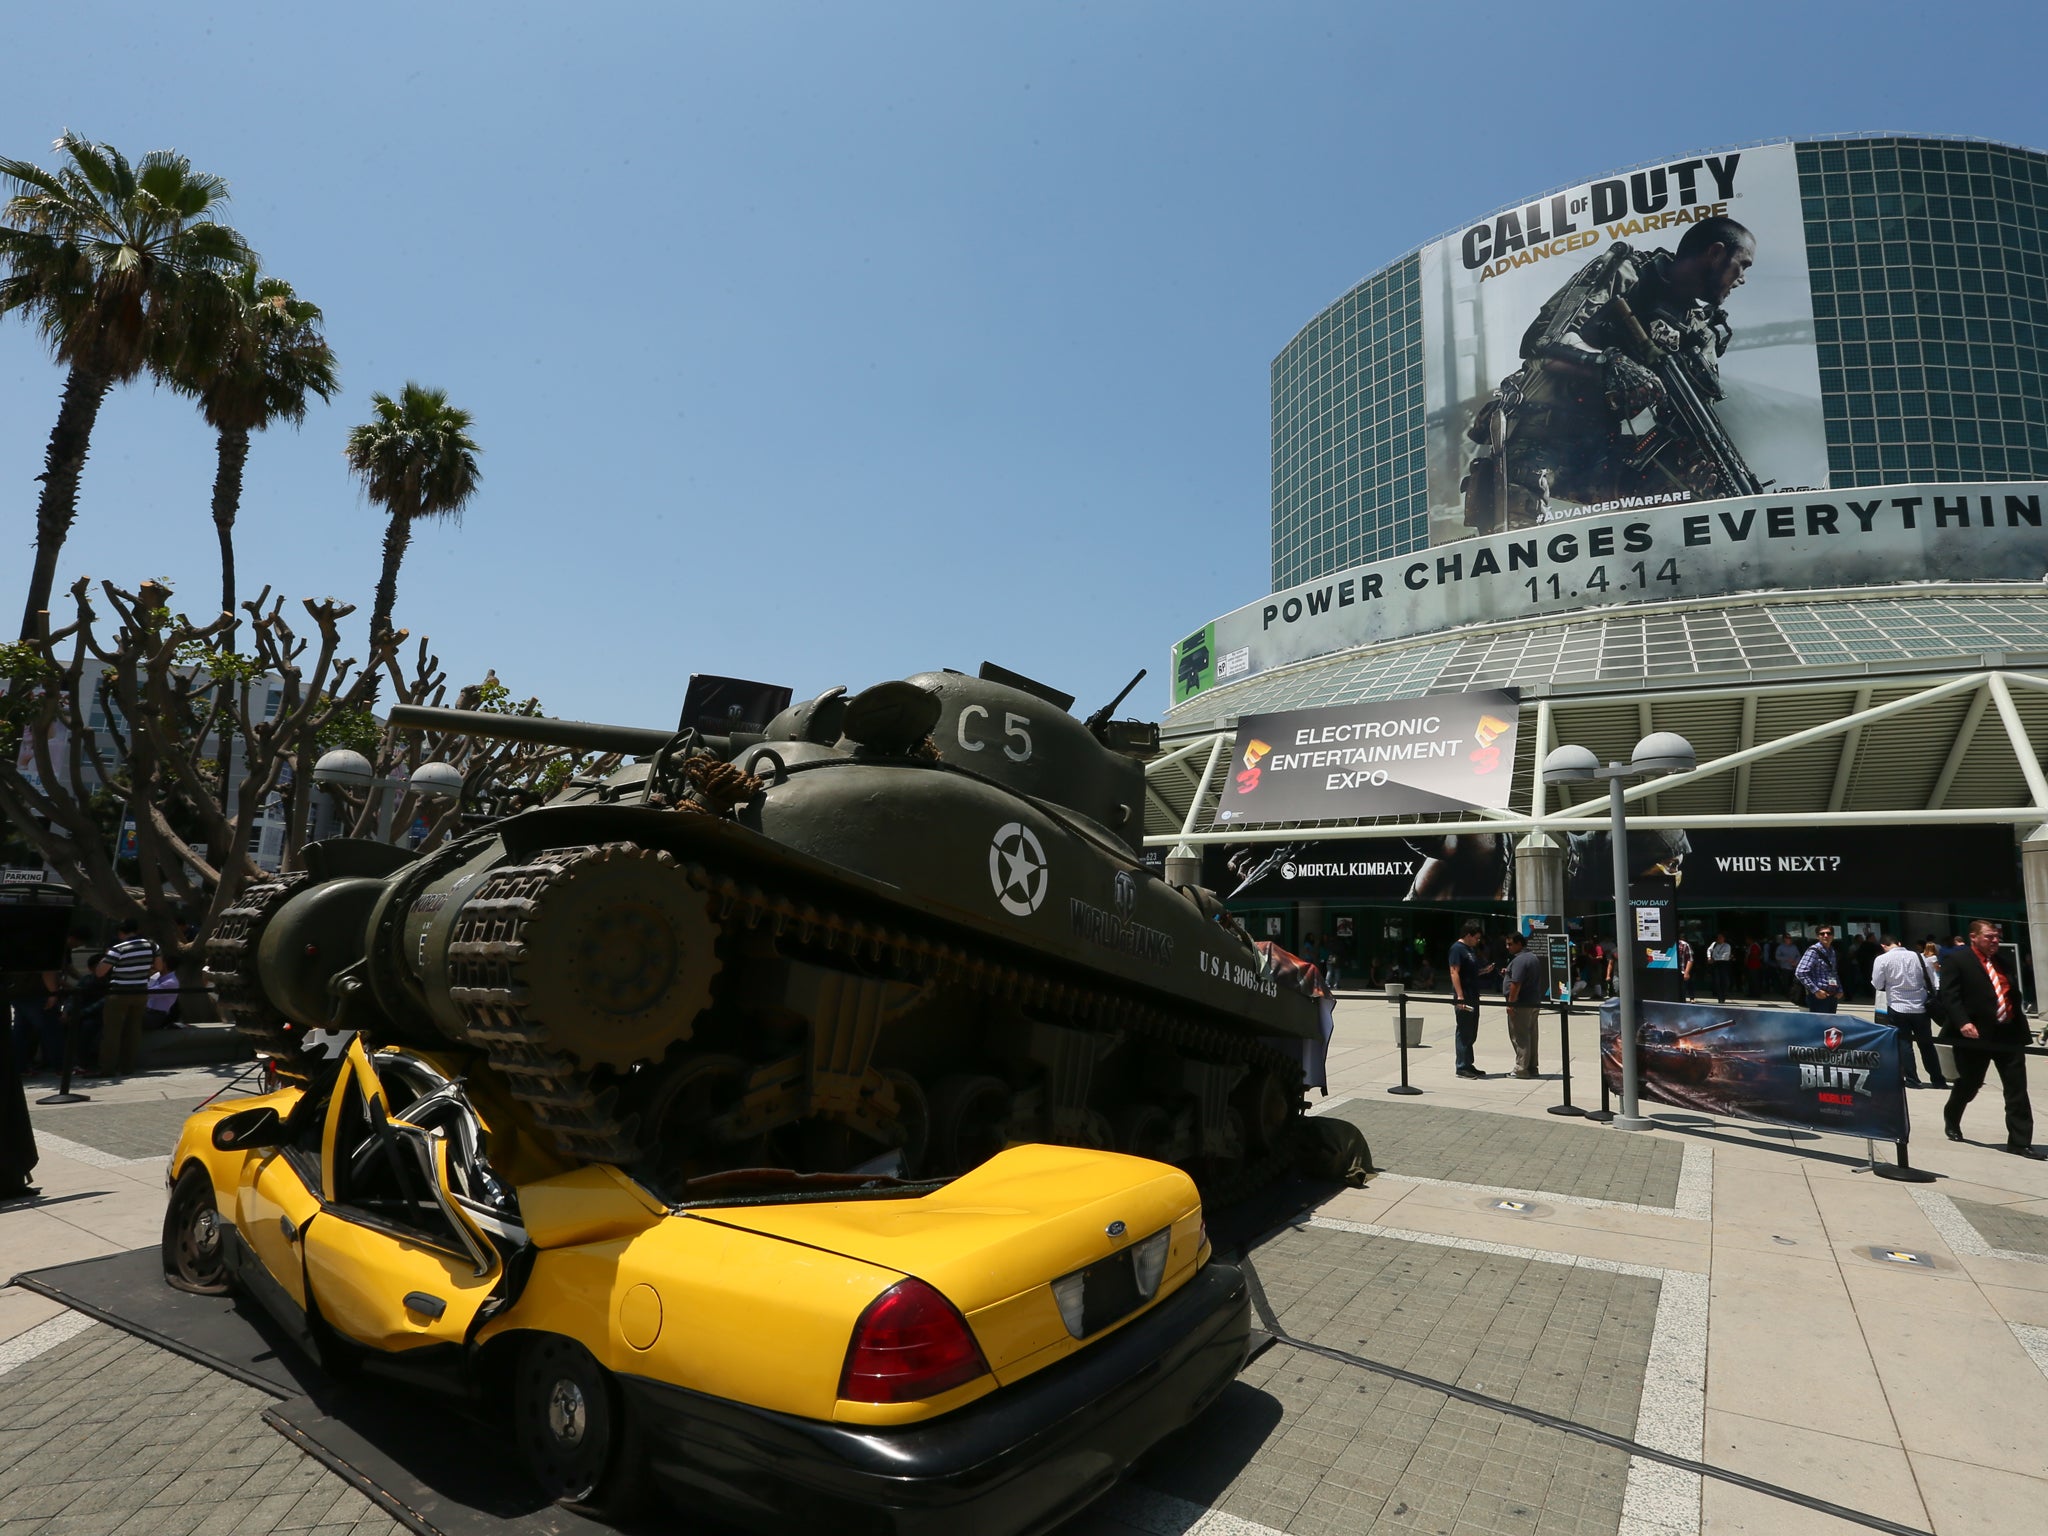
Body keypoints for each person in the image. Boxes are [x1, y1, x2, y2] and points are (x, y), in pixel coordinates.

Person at [1461, 216, 1759, 534]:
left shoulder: (1700, 334)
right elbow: (1542, 340)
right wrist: (1609, 362)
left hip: (1599, 452)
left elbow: (1689, 422)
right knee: (1515, 548)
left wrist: (1697, 467)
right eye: (1743, 265)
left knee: (1696, 488)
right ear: (1715, 253)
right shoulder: (1628, 272)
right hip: (1540, 439)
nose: (1742, 279)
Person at [1936, 919, 2041, 1158]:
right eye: (1989, 937)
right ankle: (1952, 1115)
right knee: (1970, 1084)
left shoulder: (2002, 963)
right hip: (1975, 1035)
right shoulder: (1958, 960)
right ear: (1973, 937)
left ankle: (2019, 1141)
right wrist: (1963, 1022)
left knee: (2016, 1089)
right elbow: (1949, 996)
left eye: (1996, 937)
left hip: (2008, 1034)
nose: (1995, 941)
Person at [1870, 933, 1946, 1090]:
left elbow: (1877, 984)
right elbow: (1932, 980)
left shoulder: (1882, 959)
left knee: (1904, 1044)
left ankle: (1913, 1080)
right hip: (1920, 1006)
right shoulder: (1918, 957)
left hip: (1898, 1006)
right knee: (1927, 1045)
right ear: (1899, 943)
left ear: (1883, 946)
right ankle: (1938, 1080)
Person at [95, 919, 157, 1079]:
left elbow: (100, 972)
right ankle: (128, 1067)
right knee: (134, 1030)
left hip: (119, 991)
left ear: (121, 933)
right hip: (141, 991)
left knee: (112, 1032)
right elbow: (158, 966)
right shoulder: (152, 946)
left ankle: (107, 1068)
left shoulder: (118, 948)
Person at [1502, 931, 1544, 1079]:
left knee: (1520, 1036)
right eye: (1507, 944)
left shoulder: (1520, 960)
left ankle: (1521, 1068)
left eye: (1510, 944)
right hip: (1533, 1001)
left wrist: (1511, 1004)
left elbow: (1516, 983)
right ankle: (1532, 1067)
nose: (1508, 947)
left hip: (1521, 1003)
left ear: (1520, 944)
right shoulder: (1532, 957)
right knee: (1532, 1034)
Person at [1449, 921, 1486, 1079]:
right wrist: (1460, 996)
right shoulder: (1457, 949)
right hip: (1464, 996)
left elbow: (1470, 972)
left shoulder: (1469, 950)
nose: (1477, 941)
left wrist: (1483, 971)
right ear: (1468, 935)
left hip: (1473, 994)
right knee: (1464, 1030)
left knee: (1471, 1030)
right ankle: (1462, 1066)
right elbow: (1454, 972)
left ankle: (1468, 1063)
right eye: (1476, 938)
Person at [1795, 926, 1843, 1013]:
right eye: (1822, 934)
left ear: (1833, 936)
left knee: (1829, 1025)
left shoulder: (1832, 951)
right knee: (1819, 1024)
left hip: (1832, 995)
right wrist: (1816, 990)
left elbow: (1833, 973)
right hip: (1819, 997)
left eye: (1829, 933)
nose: (1826, 936)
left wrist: (1839, 989)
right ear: (1818, 936)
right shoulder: (1813, 951)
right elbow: (1800, 972)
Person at [145, 953, 181, 1029]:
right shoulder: (156, 976)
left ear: (164, 964)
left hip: (157, 1016)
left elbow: (147, 993)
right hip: (147, 1011)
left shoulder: (171, 982)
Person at [1707, 933, 1733, 1004]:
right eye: (1718, 937)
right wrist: (1709, 957)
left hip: (1723, 964)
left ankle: (1724, 995)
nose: (1718, 939)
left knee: (1725, 981)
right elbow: (1709, 950)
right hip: (1715, 964)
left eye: (1720, 937)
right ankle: (1719, 997)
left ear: (1724, 938)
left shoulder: (1727, 946)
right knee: (1716, 981)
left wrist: (1714, 959)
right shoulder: (1714, 944)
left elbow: (1725, 956)